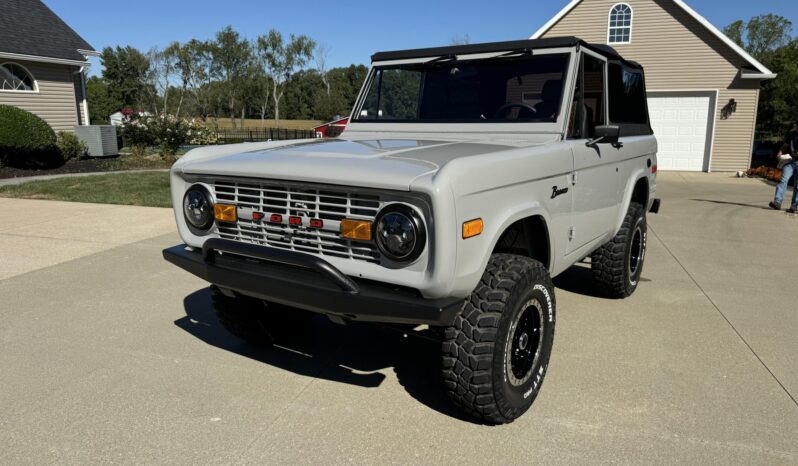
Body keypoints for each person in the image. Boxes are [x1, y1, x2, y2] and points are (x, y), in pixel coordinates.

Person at [770, 123, 798, 212]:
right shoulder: (791, 134)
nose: (795, 128)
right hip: (789, 161)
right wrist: (780, 152)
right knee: (783, 180)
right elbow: (785, 145)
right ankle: (777, 202)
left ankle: (794, 205)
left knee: (797, 185)